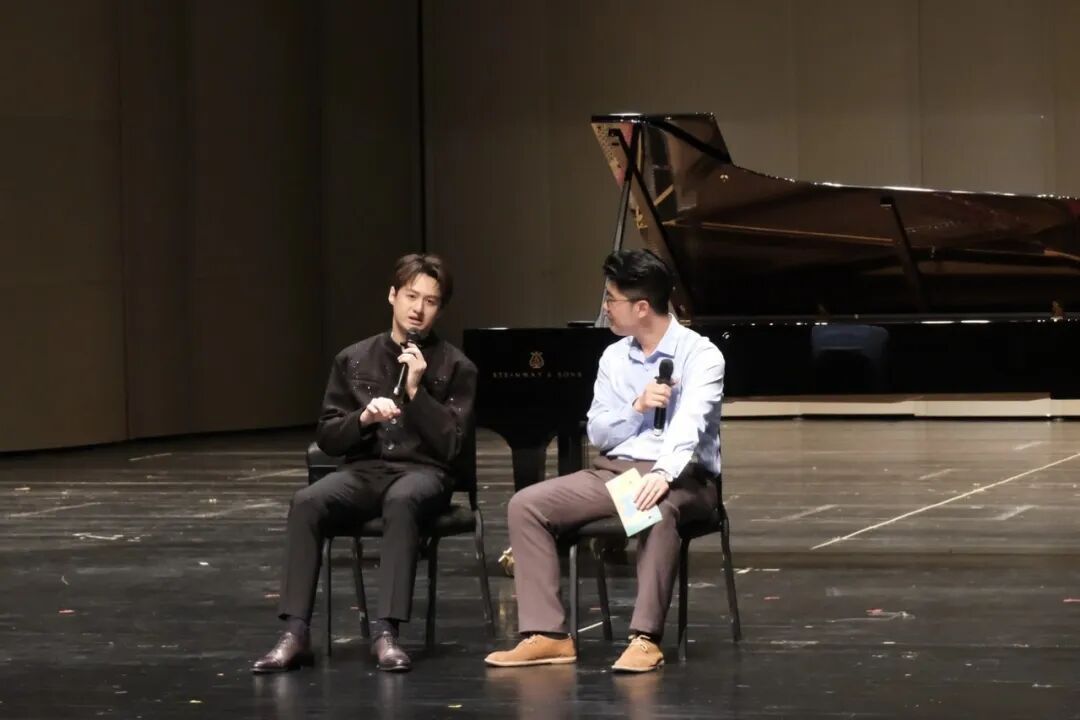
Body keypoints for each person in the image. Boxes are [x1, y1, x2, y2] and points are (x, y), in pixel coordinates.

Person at [484, 249, 724, 673]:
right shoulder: (614, 356)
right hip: (616, 473)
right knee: (527, 505)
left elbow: (689, 425)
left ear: (642, 307)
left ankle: (645, 639)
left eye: (611, 299)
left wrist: (663, 473)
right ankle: (548, 635)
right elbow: (598, 431)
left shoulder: (701, 355)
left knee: (653, 509)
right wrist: (636, 407)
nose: (605, 307)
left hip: (684, 477)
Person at [253, 253, 476, 674]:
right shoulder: (353, 358)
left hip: (425, 473)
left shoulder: (457, 367)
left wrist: (417, 393)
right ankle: (295, 632)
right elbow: (328, 437)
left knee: (403, 499)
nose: (418, 308)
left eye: (430, 301)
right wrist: (363, 419)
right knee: (307, 502)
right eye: (411, 296)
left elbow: (453, 446)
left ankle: (386, 632)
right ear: (393, 296)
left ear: (440, 309)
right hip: (366, 471)